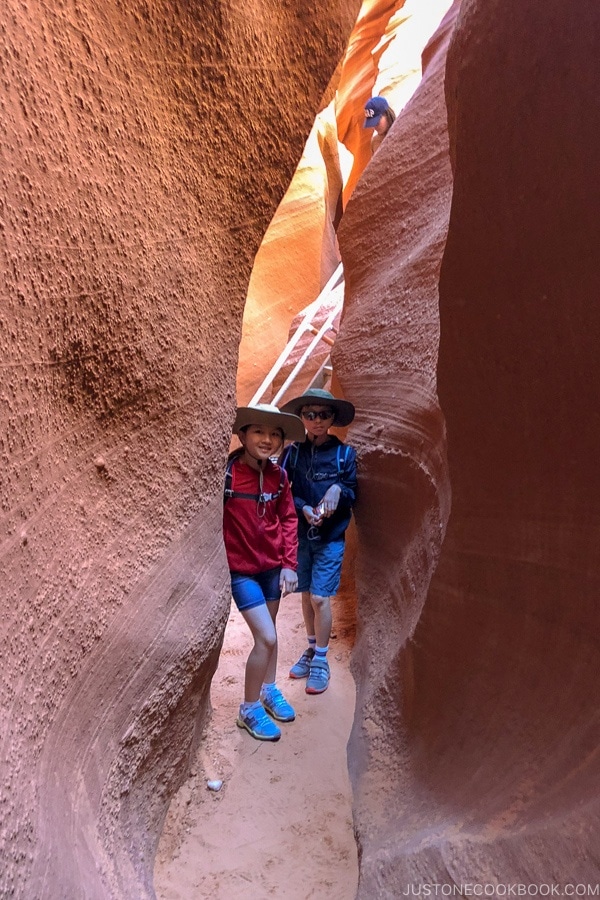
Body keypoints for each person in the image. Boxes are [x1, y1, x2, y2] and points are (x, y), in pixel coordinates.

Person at [223, 402, 306, 741]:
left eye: (275, 434)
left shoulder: (279, 476)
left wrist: (288, 564)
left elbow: (287, 518)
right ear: (243, 434)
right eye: (259, 430)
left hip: (272, 568)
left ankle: (268, 690)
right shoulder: (227, 475)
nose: (267, 439)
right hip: (242, 572)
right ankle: (248, 707)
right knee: (267, 637)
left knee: (270, 635)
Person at [280, 388, 357, 695]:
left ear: (332, 418)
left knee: (320, 598)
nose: (317, 421)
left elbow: (354, 493)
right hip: (300, 535)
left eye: (323, 414)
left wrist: (339, 490)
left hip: (330, 538)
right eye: (310, 415)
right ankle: (312, 650)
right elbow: (284, 489)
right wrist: (304, 508)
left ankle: (321, 658)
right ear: (302, 418)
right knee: (306, 592)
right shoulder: (292, 453)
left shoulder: (344, 455)